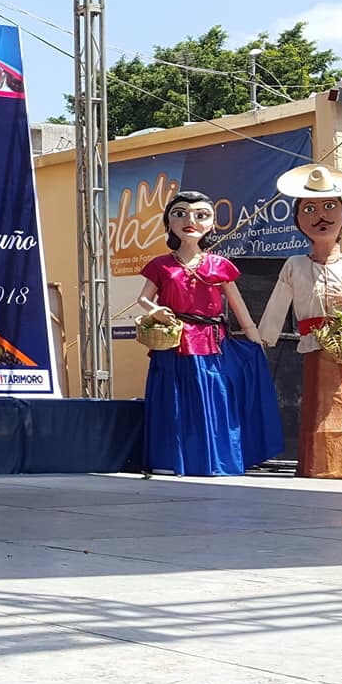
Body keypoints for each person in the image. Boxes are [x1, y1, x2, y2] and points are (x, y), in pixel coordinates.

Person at [256, 164, 342, 479]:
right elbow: (278, 304)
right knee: (319, 404)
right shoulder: (295, 265)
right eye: (310, 209)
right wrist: (264, 338)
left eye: (330, 206)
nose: (321, 216)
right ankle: (321, 464)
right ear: (298, 219)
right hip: (315, 343)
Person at [138, 191, 265, 477]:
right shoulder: (161, 265)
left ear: (211, 223)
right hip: (173, 339)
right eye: (180, 213)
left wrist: (252, 333)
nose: (190, 220)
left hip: (211, 340)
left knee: (214, 398)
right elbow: (143, 299)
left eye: (201, 215)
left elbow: (237, 303)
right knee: (173, 399)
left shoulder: (219, 265)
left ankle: (214, 459)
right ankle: (170, 459)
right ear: (168, 222)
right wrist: (157, 311)